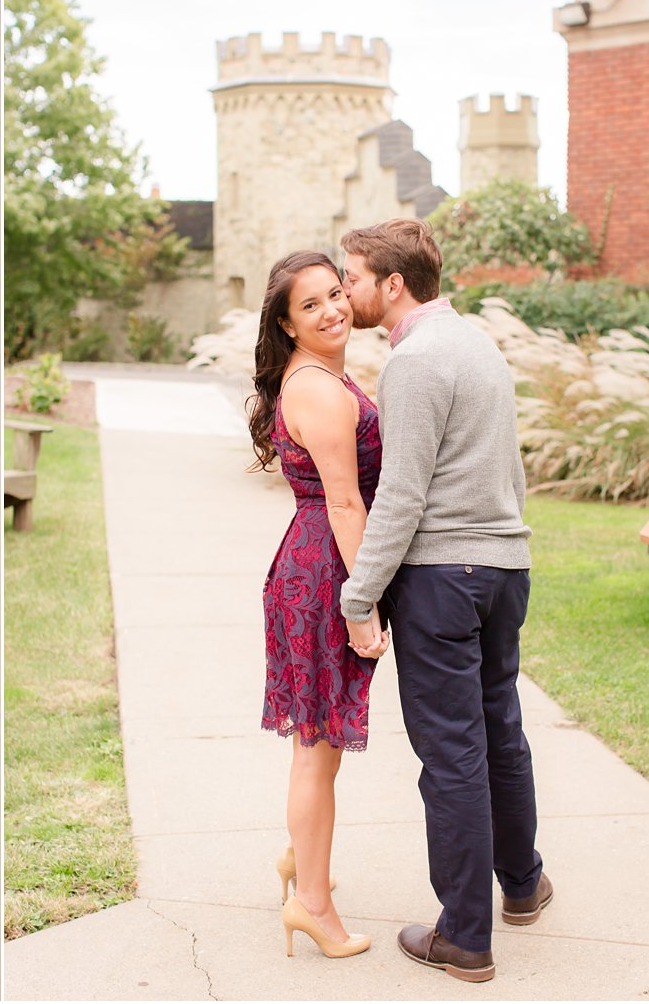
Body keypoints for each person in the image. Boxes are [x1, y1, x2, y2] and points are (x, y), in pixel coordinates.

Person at [337, 218, 548, 985]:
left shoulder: (416, 362)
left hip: (442, 580)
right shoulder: (476, 341)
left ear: (392, 285)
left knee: (452, 755)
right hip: (502, 568)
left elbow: (401, 493)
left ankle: (465, 936)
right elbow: (508, 469)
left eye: (353, 276)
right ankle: (522, 885)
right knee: (499, 731)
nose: (346, 289)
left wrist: (358, 595)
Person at [249, 250, 388, 961]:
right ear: (286, 322)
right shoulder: (321, 389)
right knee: (316, 750)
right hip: (322, 572)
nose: (334, 309)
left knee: (319, 749)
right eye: (313, 304)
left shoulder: (319, 376)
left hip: (312, 563)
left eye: (337, 294)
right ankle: (313, 904)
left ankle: (300, 863)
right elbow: (344, 499)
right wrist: (361, 604)